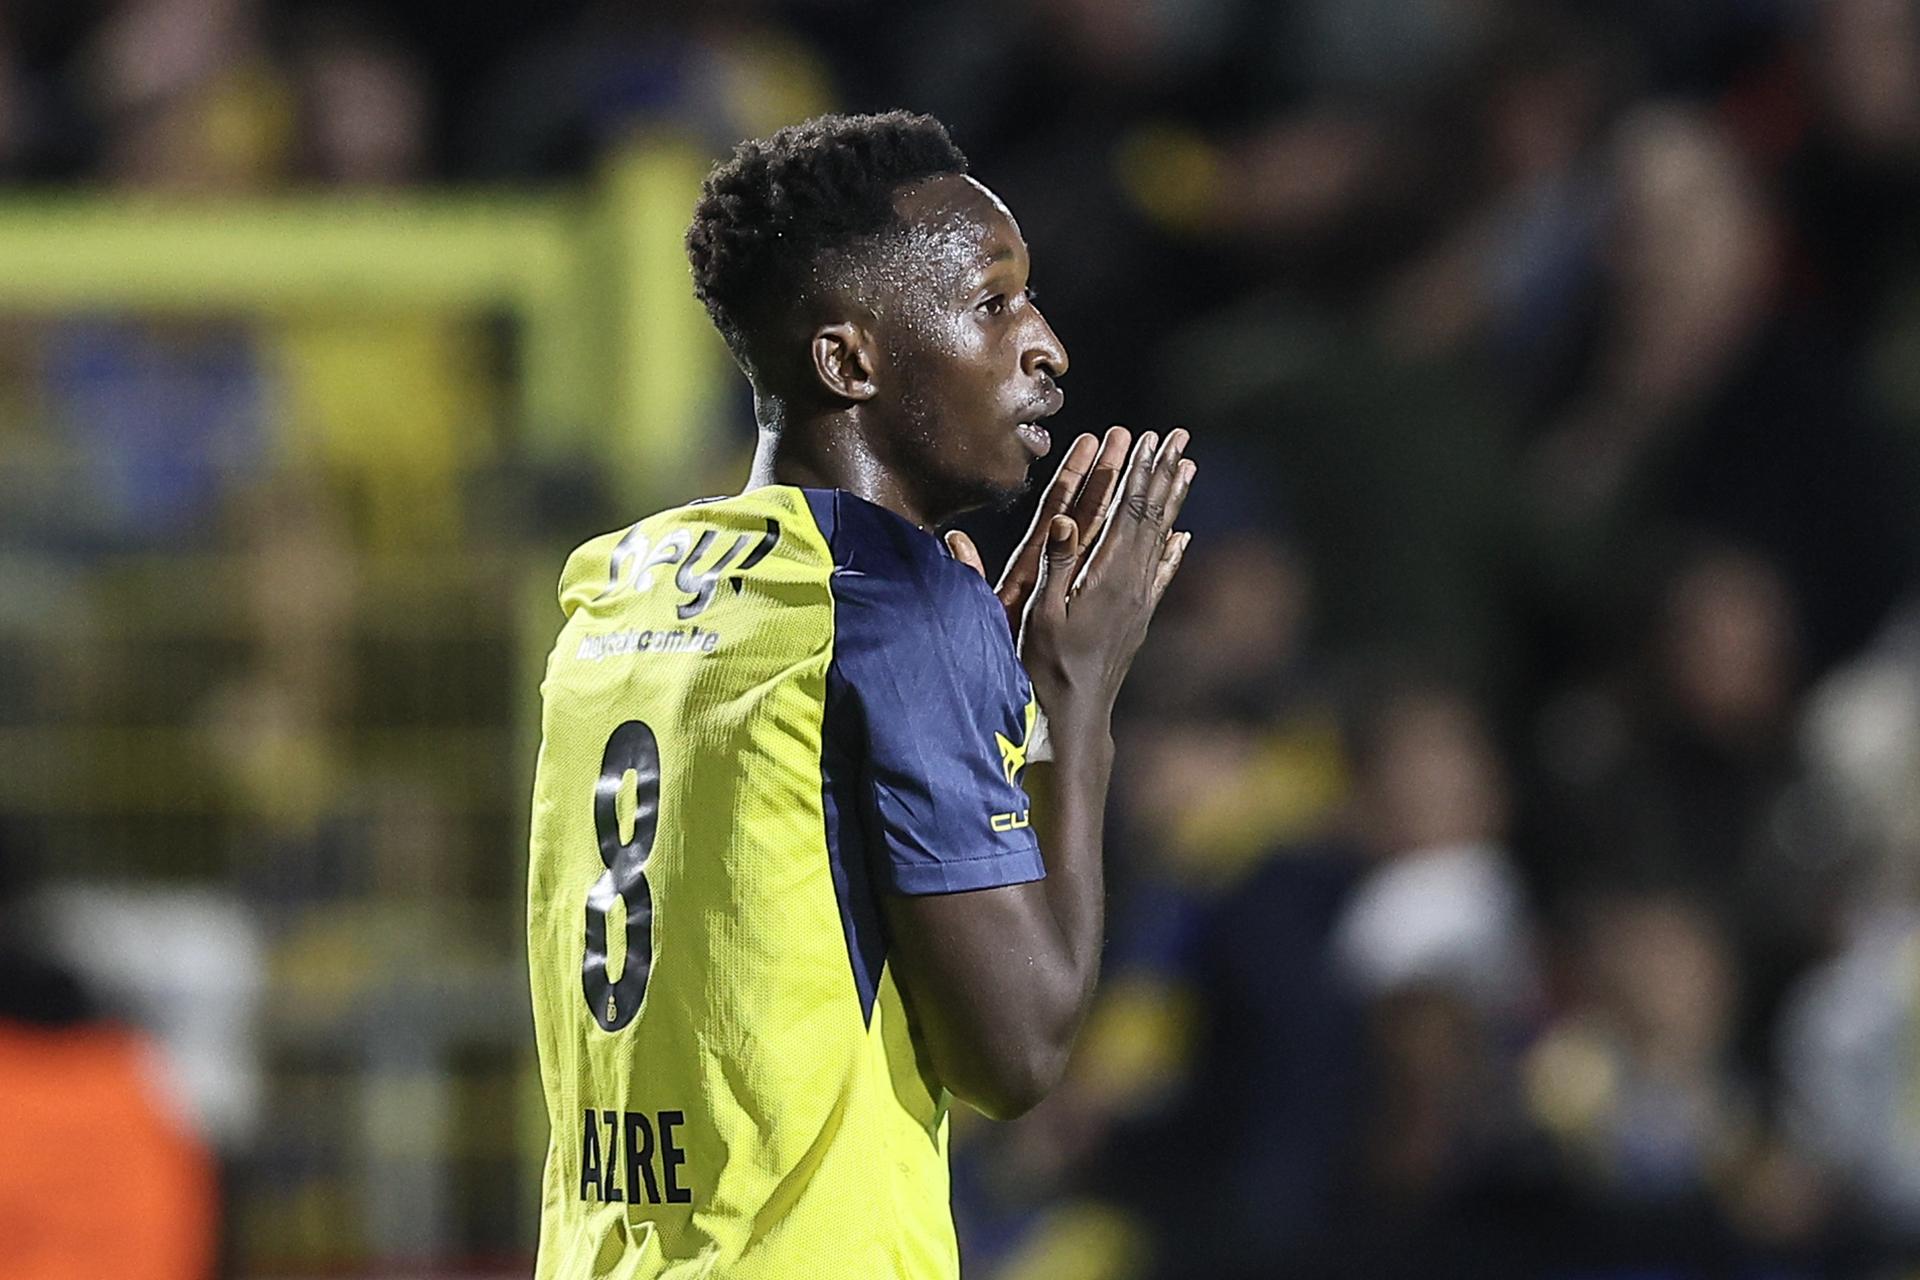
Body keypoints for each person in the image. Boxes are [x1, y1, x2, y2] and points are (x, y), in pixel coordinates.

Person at [524, 111, 1196, 1279]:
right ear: (848, 361)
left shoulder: (615, 584)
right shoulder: (890, 609)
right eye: (993, 303)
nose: (1045, 346)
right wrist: (1069, 695)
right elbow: (1020, 1050)